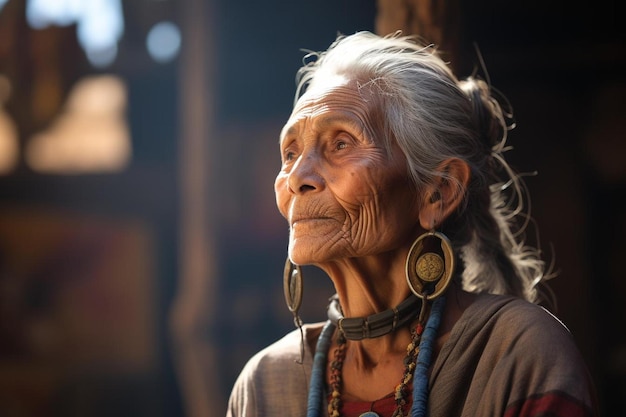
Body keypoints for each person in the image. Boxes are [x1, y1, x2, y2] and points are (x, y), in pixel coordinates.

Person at [226, 31, 598, 417]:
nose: (297, 177)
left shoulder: (514, 356)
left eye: (341, 144)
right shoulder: (265, 384)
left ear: (438, 192)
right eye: (290, 152)